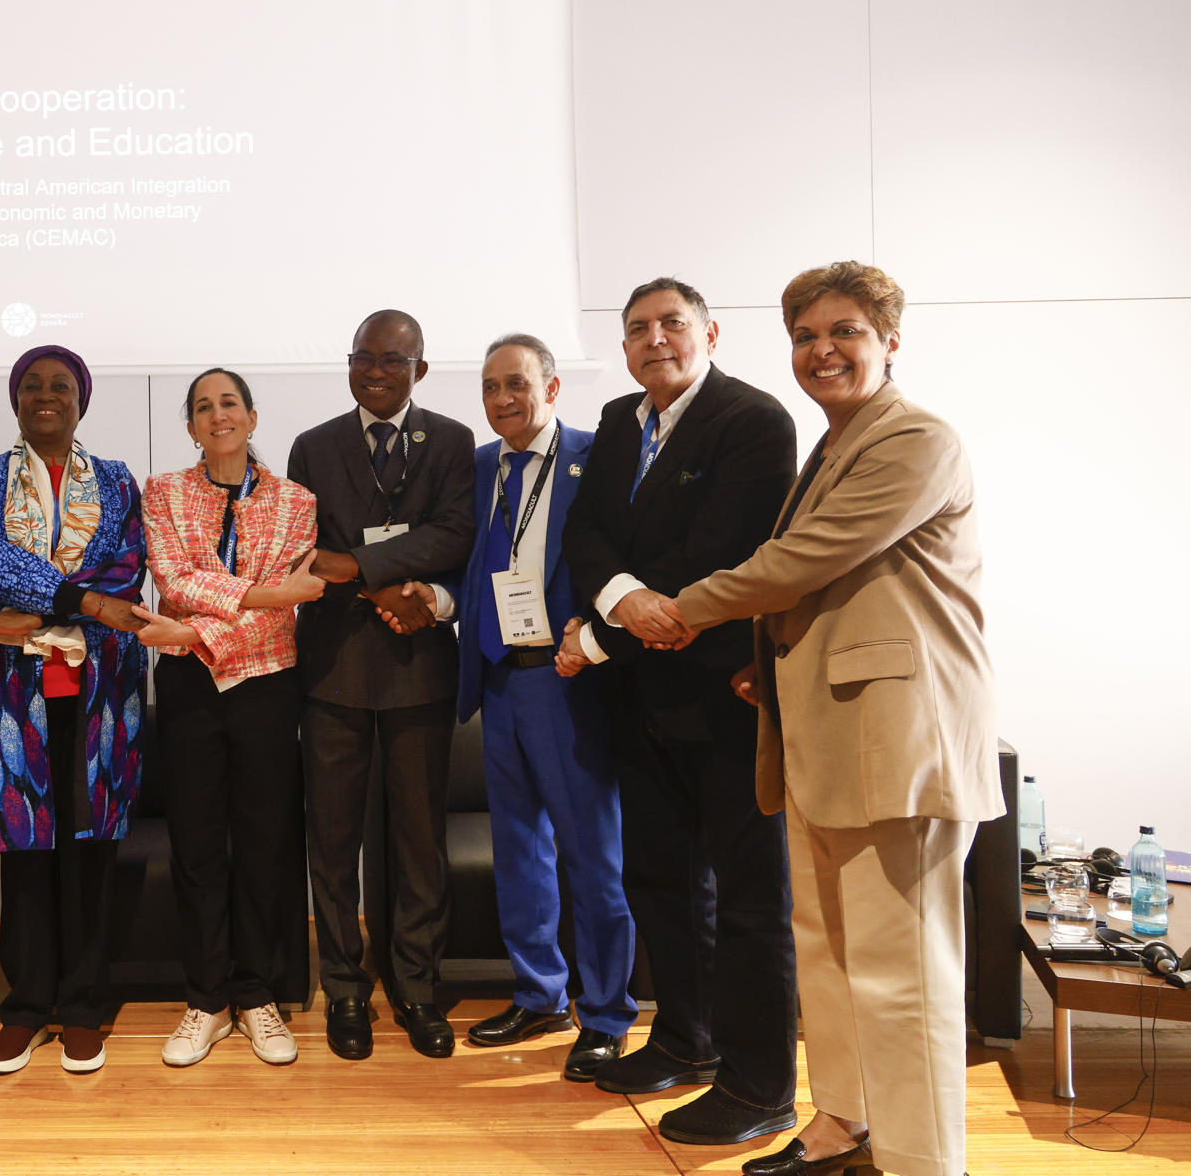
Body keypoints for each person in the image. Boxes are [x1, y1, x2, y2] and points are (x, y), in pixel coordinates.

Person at [646, 262, 1003, 1176]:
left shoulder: (915, 437)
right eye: (805, 336)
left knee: (903, 976)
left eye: (843, 331)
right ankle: (843, 1124)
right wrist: (769, 670)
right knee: (833, 959)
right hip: (822, 736)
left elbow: (803, 560)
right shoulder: (832, 444)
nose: (821, 351)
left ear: (889, 340)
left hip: (898, 746)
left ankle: (921, 1161)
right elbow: (842, 592)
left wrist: (678, 607)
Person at [559, 277, 800, 1145]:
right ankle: (684, 1040)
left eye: (671, 323)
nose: (654, 338)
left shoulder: (755, 419)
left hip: (727, 690)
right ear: (623, 348)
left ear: (710, 332)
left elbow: (729, 551)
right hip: (642, 691)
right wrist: (625, 603)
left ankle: (761, 1083)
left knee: (748, 897)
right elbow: (586, 534)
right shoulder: (622, 421)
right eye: (637, 329)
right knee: (659, 879)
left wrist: (620, 622)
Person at [380, 334, 636, 1078]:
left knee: (592, 852)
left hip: (570, 679)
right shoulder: (479, 466)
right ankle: (539, 992)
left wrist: (597, 634)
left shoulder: (595, 456)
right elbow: (475, 568)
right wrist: (440, 598)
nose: (502, 399)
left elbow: (624, 565)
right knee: (519, 849)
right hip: (497, 677)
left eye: (517, 383)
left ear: (551, 388)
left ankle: (608, 1013)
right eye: (491, 386)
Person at [0, 345, 149, 1075]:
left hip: (101, 688)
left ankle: (83, 1008)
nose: (45, 395)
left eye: (60, 385)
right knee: (26, 851)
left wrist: (54, 606)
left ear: (81, 399)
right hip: (12, 691)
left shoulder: (120, 481)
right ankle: (26, 1007)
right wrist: (78, 600)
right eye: (31, 384)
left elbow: (124, 568)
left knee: (90, 851)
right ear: (15, 399)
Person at [286, 309, 476, 1059]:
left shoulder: (455, 441)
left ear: (419, 370)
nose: (376, 370)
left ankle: (417, 986)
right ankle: (343, 988)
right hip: (333, 667)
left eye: (393, 360)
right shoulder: (315, 444)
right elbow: (305, 550)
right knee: (332, 841)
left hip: (420, 666)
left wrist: (364, 569)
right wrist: (378, 590)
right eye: (364, 356)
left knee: (419, 838)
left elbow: (455, 532)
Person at [133, 368, 323, 1068]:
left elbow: (285, 599)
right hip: (189, 687)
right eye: (204, 407)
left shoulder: (297, 500)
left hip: (267, 685)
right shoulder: (163, 492)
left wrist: (194, 631)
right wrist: (257, 601)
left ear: (251, 415)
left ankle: (257, 994)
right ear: (189, 425)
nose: (218, 416)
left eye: (230, 403)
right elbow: (177, 579)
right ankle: (206, 998)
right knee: (198, 842)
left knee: (265, 841)